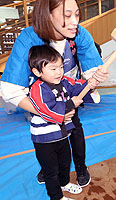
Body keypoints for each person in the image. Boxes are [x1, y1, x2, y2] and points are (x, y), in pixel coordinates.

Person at [0, 0, 109, 187]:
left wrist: (97, 77)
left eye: (77, 14)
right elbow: (11, 90)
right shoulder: (28, 38)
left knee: (74, 129)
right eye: (67, 16)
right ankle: (49, 168)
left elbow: (92, 74)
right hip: (42, 99)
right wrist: (51, 113)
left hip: (68, 91)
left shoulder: (80, 35)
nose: (75, 21)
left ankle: (81, 167)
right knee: (45, 136)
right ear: (48, 15)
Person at [28, 45, 98, 200]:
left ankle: (64, 183)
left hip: (62, 134)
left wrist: (90, 84)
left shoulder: (64, 81)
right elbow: (47, 108)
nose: (59, 72)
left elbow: (77, 86)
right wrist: (70, 104)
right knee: (51, 170)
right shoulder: (37, 88)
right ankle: (56, 196)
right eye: (53, 69)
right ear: (37, 72)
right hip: (44, 139)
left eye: (60, 67)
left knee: (65, 162)